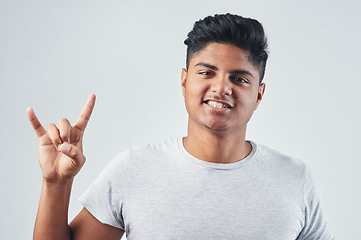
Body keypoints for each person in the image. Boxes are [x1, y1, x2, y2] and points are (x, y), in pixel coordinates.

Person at [28, 13, 333, 239]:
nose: (221, 88)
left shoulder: (294, 178)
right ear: (185, 80)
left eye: (239, 79)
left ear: (259, 94)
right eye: (207, 72)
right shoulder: (134, 170)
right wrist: (55, 184)